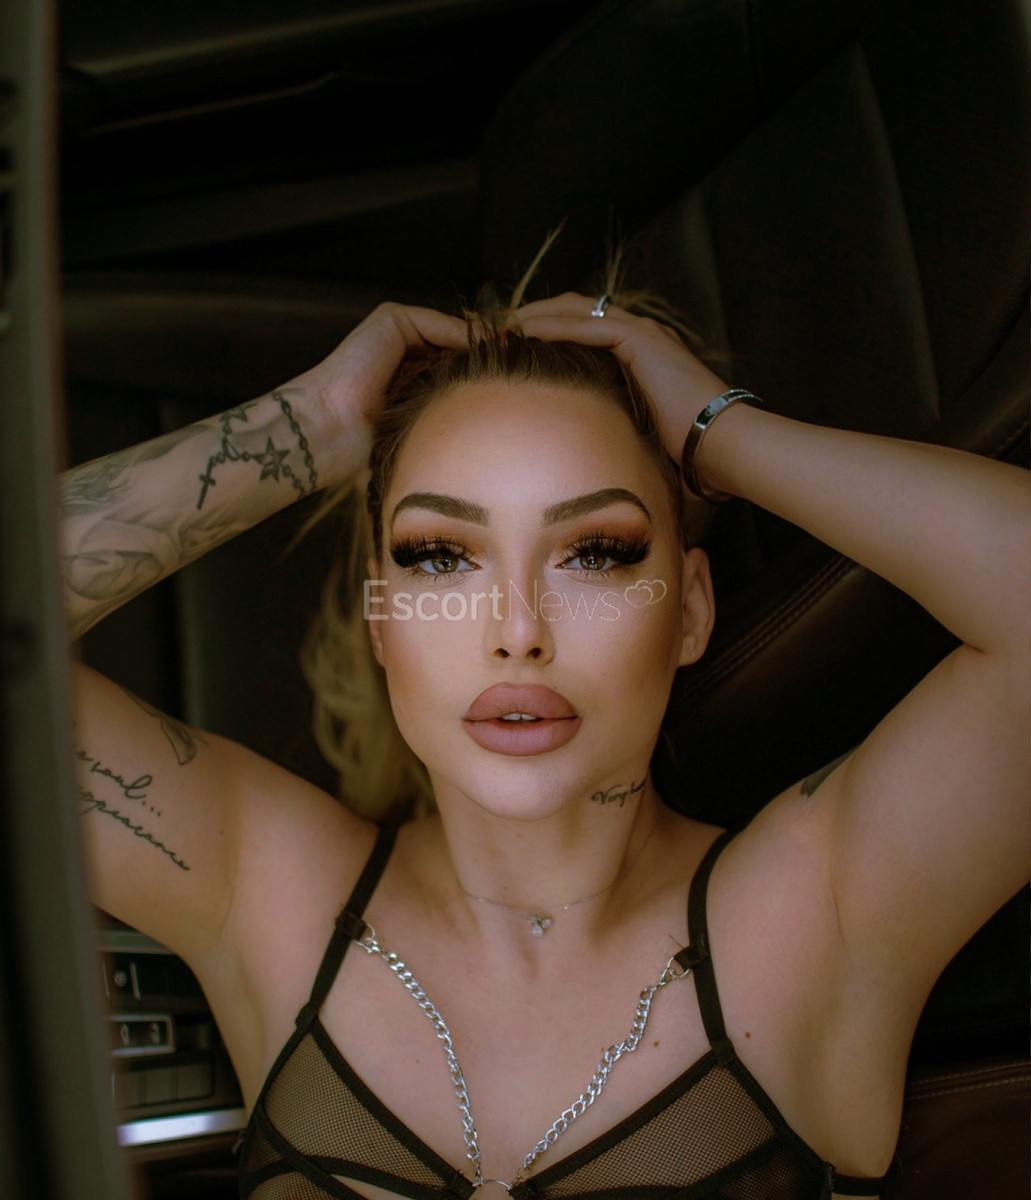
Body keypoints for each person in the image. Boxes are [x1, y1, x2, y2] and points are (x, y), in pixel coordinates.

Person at [62, 288, 1029, 1200]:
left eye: (594, 553)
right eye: (440, 555)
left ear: (690, 610)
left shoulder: (818, 911)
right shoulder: (267, 891)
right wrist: (308, 426)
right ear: (379, 620)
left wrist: (720, 436)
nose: (517, 629)